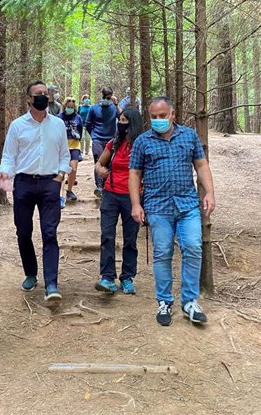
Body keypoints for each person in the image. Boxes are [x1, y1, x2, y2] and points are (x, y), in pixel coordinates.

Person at [129, 96, 216, 327]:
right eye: (154, 117)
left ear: (172, 114)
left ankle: (189, 301)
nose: (158, 120)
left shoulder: (188, 136)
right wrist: (136, 204)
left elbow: (201, 164)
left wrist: (209, 192)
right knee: (162, 253)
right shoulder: (142, 142)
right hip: (158, 207)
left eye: (162, 116)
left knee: (193, 248)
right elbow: (135, 173)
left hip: (187, 205)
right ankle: (164, 301)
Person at [0, 81, 71, 302]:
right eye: (37, 94)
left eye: (45, 93)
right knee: (23, 231)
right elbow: (9, 156)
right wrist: (5, 174)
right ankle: (31, 273)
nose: (42, 96)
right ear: (28, 99)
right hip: (24, 184)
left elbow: (65, 156)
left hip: (50, 184)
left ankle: (52, 284)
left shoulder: (58, 125)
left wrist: (59, 177)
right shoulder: (17, 125)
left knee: (50, 233)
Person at [94, 107, 143, 295]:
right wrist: (100, 170)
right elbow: (100, 163)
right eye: (120, 120)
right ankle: (107, 277)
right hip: (110, 194)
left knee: (130, 239)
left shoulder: (142, 145)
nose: (121, 124)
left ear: (133, 123)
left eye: (124, 121)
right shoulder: (113, 144)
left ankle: (127, 277)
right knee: (107, 236)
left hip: (132, 197)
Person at [85, 87, 118, 198]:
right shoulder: (94, 108)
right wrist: (94, 136)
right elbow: (88, 124)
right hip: (98, 140)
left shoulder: (114, 108)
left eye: (109, 96)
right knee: (99, 162)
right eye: (105, 96)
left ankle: (106, 186)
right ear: (102, 96)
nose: (107, 98)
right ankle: (99, 187)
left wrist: (117, 104)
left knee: (110, 164)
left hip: (111, 140)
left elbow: (123, 117)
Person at [57, 97, 83, 206]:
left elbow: (80, 130)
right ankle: (58, 194)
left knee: (73, 168)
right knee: (61, 170)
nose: (70, 109)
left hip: (75, 145)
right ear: (64, 106)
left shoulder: (78, 117)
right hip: (62, 146)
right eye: (68, 107)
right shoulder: (59, 118)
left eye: (72, 107)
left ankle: (69, 190)